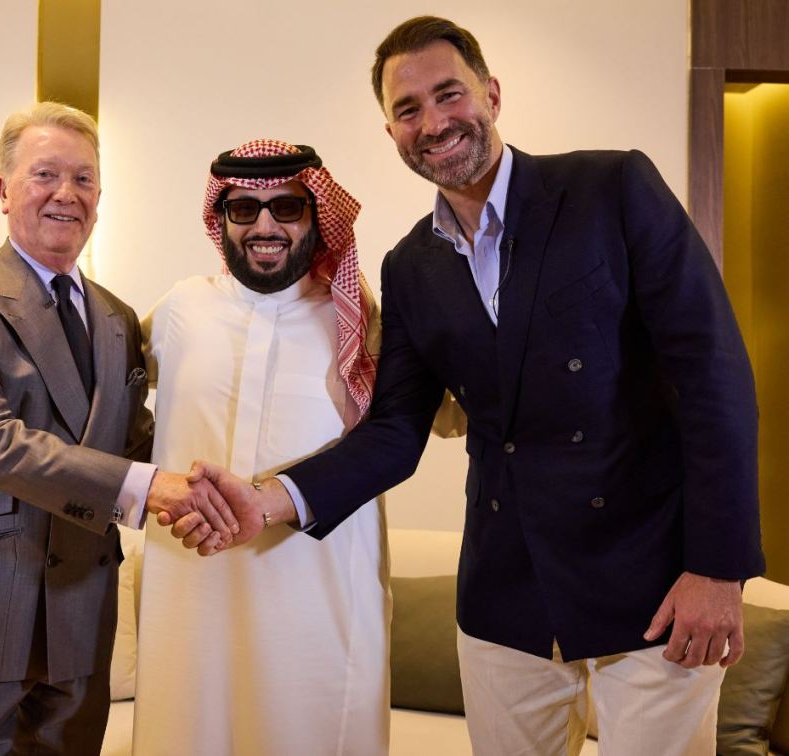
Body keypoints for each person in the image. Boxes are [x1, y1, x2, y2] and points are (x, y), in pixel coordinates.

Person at [177, 16, 766, 756]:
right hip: (505, 603)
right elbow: (395, 431)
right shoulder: (410, 267)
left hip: (652, 588)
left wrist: (719, 569)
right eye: (408, 109)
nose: (433, 122)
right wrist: (268, 499)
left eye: (448, 94)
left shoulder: (610, 187)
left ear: (490, 93)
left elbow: (714, 378)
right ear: (390, 131)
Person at [0, 101, 236, 755]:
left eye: (84, 179)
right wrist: (156, 486)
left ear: (101, 195)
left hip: (83, 615)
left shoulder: (117, 317)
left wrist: (220, 485)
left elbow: (137, 442)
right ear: (3, 189)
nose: (66, 194)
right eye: (45, 174)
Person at [133, 140, 390, 755]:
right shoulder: (180, 308)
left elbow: (430, 424)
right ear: (219, 220)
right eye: (243, 209)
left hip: (318, 588)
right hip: (191, 586)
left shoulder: (360, 318)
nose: (265, 225)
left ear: (316, 215)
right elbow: (107, 404)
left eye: (286, 206)